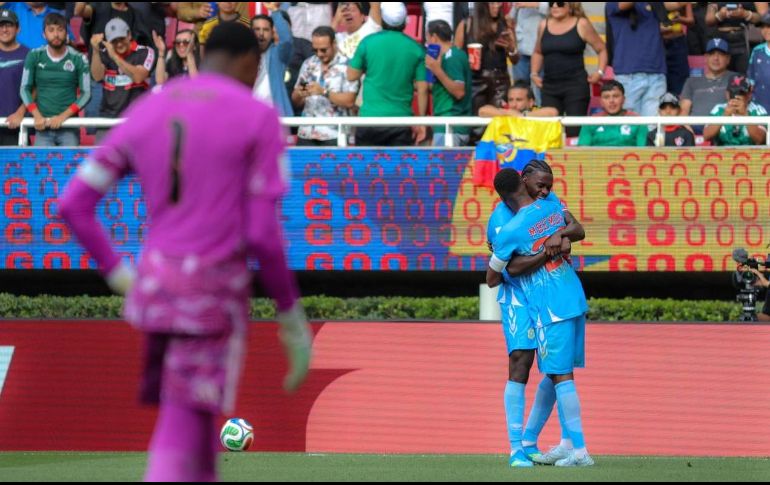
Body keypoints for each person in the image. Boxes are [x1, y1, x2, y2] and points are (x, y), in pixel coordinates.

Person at [57, 22, 312, 483]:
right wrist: (290, 315)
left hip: (156, 284)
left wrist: (119, 274)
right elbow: (262, 233)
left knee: (193, 420)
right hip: (211, 289)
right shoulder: (257, 119)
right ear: (249, 63)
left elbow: (73, 205)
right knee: (183, 421)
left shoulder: (150, 108)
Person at [487, 167, 592, 468]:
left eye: (548, 187)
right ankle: (515, 449)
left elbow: (573, 229)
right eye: (541, 186)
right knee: (521, 361)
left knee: (554, 369)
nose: (546, 191)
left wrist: (558, 235)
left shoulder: (545, 200)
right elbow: (504, 270)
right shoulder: (500, 222)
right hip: (519, 298)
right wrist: (550, 248)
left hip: (546, 295)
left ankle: (537, 441)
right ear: (524, 181)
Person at [348, 2, 429, 146]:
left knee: (367, 168)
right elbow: (423, 89)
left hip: (369, 120)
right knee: (397, 168)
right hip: (401, 121)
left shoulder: (367, 42)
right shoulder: (417, 49)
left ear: (383, 20)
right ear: (405, 21)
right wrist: (422, 122)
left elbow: (351, 75)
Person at [531, 1, 607, 136]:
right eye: (551, 3)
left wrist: (599, 72)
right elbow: (538, 52)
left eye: (559, 3)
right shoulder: (543, 25)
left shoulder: (581, 24)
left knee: (574, 131)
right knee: (549, 132)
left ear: (570, 5)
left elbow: (601, 49)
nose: (554, 6)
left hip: (575, 86)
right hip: (550, 86)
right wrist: (534, 73)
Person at [20, 12, 90, 147]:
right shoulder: (34, 55)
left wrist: (63, 116)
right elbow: (24, 88)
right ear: (43, 34)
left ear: (66, 33)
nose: (56, 34)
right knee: (41, 167)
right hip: (42, 126)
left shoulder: (79, 59)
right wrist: (37, 115)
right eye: (51, 30)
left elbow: (86, 93)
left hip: (69, 126)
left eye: (60, 29)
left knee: (70, 168)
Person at [291, 26, 358, 146]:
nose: (319, 54)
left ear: (334, 44)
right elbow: (296, 101)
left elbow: (349, 101)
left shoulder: (348, 65)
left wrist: (324, 92)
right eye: (315, 50)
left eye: (323, 50)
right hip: (306, 133)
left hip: (335, 134)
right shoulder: (308, 63)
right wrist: (299, 94)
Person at [89, 18, 154, 141]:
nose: (119, 44)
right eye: (114, 41)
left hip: (136, 119)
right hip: (107, 120)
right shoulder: (103, 53)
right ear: (108, 42)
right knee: (102, 159)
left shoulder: (144, 52)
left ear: (129, 35)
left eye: (121, 39)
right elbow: (97, 76)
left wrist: (115, 56)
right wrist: (96, 52)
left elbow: (138, 77)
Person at [424, 19, 472, 147]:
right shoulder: (444, 58)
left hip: (451, 127)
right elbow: (433, 87)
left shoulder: (453, 57)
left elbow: (459, 91)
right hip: (445, 126)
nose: (426, 42)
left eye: (427, 37)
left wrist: (437, 70)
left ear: (434, 37)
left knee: (443, 167)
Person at [680, 38, 738, 120]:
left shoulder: (736, 79)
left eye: (720, 54)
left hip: (724, 129)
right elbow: (684, 110)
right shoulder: (691, 81)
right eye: (712, 54)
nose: (716, 58)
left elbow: (740, 108)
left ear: (728, 59)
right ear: (706, 58)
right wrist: (685, 127)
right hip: (694, 129)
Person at [252, 4, 294, 117]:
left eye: (265, 30)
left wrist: (275, 11)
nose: (261, 33)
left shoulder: (278, 55)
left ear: (272, 33)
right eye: (257, 29)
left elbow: (286, 40)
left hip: (276, 117)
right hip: (250, 116)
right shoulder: (243, 57)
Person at [577, 80, 648, 147]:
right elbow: (582, 151)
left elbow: (644, 152)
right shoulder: (590, 122)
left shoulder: (638, 121)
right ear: (601, 101)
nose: (611, 101)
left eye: (616, 96)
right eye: (606, 97)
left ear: (624, 99)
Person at [704, 73, 768, 145]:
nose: (736, 96)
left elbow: (760, 139)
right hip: (723, 154)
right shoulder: (718, 109)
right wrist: (724, 116)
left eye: (741, 93)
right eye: (733, 92)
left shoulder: (758, 111)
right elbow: (706, 136)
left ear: (749, 95)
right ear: (727, 94)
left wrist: (745, 115)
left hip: (752, 154)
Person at [706, 2, 768, 74]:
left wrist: (745, 14)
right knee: (721, 77)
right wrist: (720, 15)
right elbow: (708, 20)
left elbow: (765, 17)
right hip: (721, 40)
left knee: (746, 75)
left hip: (745, 39)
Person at [0, 9, 30, 146]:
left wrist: (20, 112)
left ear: (17, 29)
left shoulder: (29, 55)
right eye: (1, 25)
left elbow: (35, 89)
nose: (4, 29)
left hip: (15, 125)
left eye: (9, 25)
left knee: (15, 168)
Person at [479, 81, 559, 118]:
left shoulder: (535, 111)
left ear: (531, 102)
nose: (514, 104)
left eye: (519, 100)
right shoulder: (507, 112)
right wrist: (505, 114)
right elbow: (482, 111)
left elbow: (553, 112)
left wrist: (521, 116)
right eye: (511, 100)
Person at [748, 12, 770, 111]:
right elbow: (750, 80)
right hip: (759, 108)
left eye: (769, 27)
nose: (766, 30)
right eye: (763, 27)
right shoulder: (757, 51)